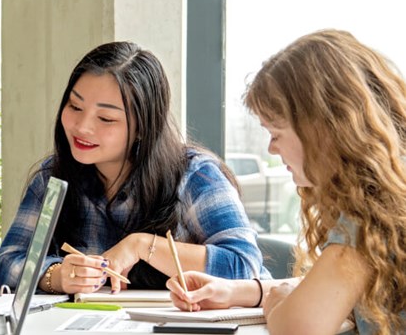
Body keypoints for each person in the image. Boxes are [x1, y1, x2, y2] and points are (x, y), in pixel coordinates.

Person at [165, 29, 406, 335]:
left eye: (276, 133)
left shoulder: (368, 211)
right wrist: (244, 292)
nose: (271, 149)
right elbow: (327, 287)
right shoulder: (388, 194)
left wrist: (277, 304)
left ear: (322, 128)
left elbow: (298, 327)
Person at [0, 41, 267, 295]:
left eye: (106, 118)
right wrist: (56, 275)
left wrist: (142, 246)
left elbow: (243, 265)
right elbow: (7, 263)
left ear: (142, 128)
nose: (82, 127)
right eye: (75, 106)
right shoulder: (53, 177)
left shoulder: (195, 175)